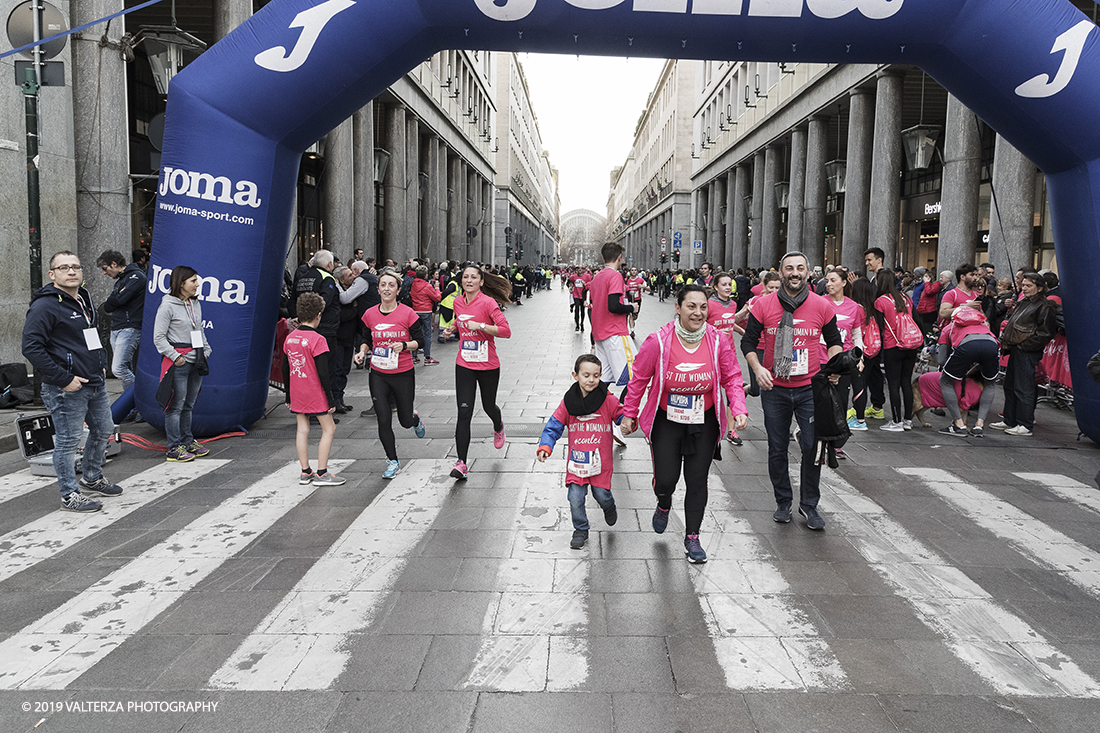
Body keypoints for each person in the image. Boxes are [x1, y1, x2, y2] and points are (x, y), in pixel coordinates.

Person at [621, 284, 747, 563]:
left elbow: (732, 377)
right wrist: (629, 413)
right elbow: (639, 379)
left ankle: (692, 537)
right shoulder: (659, 341)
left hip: (704, 421)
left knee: (697, 480)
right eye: (691, 306)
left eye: (703, 307)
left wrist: (738, 407)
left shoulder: (717, 341)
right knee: (666, 480)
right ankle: (664, 502)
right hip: (667, 420)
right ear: (677, 307)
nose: (698, 313)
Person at [742, 252, 843, 531]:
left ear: (808, 272)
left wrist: (834, 365)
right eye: (789, 268)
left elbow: (834, 341)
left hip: (810, 388)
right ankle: (783, 501)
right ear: (781, 272)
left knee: (812, 447)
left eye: (800, 268)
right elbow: (748, 343)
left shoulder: (821, 306)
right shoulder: (763, 305)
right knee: (777, 449)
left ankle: (809, 505)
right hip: (774, 388)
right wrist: (758, 368)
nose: (795, 273)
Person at [22, 251, 123, 512]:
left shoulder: (84, 298)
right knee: (68, 441)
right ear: (52, 274)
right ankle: (69, 495)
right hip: (67, 386)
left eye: (76, 266)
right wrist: (64, 379)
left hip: (94, 380)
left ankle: (92, 477)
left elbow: (89, 335)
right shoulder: (45, 305)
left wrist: (100, 364)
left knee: (104, 429)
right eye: (64, 267)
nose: (71, 271)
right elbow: (31, 347)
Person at [537, 354, 624, 549]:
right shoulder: (569, 402)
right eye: (586, 375)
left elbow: (621, 415)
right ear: (575, 375)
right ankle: (580, 529)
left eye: (596, 375)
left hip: (601, 464)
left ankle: (609, 507)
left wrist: (627, 422)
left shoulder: (607, 400)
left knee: (602, 495)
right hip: (577, 463)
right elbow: (554, 425)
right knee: (575, 497)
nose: (591, 380)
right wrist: (546, 446)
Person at [441, 264, 512, 480]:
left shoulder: (488, 303)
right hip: (464, 364)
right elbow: (460, 320)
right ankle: (461, 462)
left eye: (473, 277)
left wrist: (480, 326)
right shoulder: (457, 301)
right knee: (464, 412)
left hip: (488, 365)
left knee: (489, 405)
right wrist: (452, 328)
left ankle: (498, 425)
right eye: (465, 277)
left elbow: (506, 331)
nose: (469, 280)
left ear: (481, 282)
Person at [354, 271, 427, 478]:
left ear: (397, 289)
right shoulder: (369, 314)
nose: (386, 288)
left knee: (404, 420)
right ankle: (393, 461)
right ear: (378, 289)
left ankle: (415, 420)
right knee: (383, 418)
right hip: (378, 373)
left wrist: (404, 345)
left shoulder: (408, 313)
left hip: (403, 373)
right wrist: (361, 352)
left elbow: (420, 341)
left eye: (391, 285)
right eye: (383, 285)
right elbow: (366, 339)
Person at [282, 293, 345, 486]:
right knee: (329, 428)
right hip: (315, 391)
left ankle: (305, 471)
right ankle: (322, 473)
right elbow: (324, 373)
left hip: (297, 391)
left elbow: (285, 367)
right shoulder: (318, 340)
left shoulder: (290, 338)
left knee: (302, 429)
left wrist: (288, 394)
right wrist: (331, 397)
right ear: (318, 315)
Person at [152, 265, 213, 463]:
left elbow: (199, 330)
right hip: (179, 361)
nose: (197, 284)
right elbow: (158, 337)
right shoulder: (167, 306)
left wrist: (205, 349)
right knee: (175, 406)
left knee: (189, 404)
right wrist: (175, 356)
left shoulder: (195, 304)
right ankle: (174, 447)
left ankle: (187, 441)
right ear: (181, 283)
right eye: (193, 280)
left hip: (197, 359)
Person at [991, 272, 1060, 436]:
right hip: (1016, 348)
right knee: (1010, 385)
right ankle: (1010, 419)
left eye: (1029, 285)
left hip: (1027, 351)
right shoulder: (1024, 302)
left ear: (1039, 288)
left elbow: (1046, 333)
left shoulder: (1045, 305)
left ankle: (1025, 424)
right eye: (1024, 285)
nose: (1025, 288)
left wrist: (1025, 346)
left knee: (1024, 387)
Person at [588, 242, 639, 445]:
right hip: (616, 334)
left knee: (604, 380)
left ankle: (592, 414)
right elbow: (613, 305)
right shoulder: (615, 276)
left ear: (603, 258)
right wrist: (631, 307)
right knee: (637, 377)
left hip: (600, 334)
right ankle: (619, 422)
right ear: (619, 258)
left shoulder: (597, 277)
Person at [96, 250, 146, 421]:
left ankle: (140, 403)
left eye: (105, 268)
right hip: (118, 327)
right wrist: (117, 298)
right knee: (123, 367)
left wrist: (117, 298)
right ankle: (134, 405)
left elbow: (117, 301)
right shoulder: (121, 281)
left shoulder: (136, 277)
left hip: (129, 327)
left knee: (118, 368)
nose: (105, 272)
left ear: (114, 264)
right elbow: (109, 305)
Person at [937, 306, 1000, 437]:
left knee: (945, 381)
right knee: (990, 383)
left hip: (966, 345)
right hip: (991, 343)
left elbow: (941, 359)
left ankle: (958, 424)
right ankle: (979, 425)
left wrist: (958, 368)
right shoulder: (983, 326)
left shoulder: (950, 327)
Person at [821, 267, 863, 456]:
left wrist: (860, 357)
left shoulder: (854, 307)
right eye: (827, 281)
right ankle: (817, 437)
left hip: (843, 361)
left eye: (833, 280)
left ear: (844, 283)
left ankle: (835, 442)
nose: (829, 284)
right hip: (819, 359)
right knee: (821, 401)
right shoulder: (819, 303)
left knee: (840, 401)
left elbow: (856, 334)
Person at [875, 270, 921, 431]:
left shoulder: (881, 301)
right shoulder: (906, 298)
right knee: (906, 382)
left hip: (893, 345)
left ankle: (896, 421)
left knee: (893, 384)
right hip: (911, 345)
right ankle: (908, 419)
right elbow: (917, 319)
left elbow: (880, 327)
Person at [707, 271, 745, 445]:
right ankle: (709, 427)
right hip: (710, 353)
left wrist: (741, 331)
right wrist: (714, 332)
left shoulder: (733, 304)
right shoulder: (708, 305)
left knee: (732, 391)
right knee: (711, 390)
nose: (728, 287)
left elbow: (729, 322)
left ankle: (731, 431)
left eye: (730, 284)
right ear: (716, 287)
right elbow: (699, 325)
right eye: (724, 284)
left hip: (729, 354)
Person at [409, 265, 442, 364]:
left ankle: (414, 356)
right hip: (426, 311)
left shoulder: (412, 284)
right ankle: (427, 357)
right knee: (427, 334)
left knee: (415, 334)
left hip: (415, 311)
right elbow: (437, 298)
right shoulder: (427, 286)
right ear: (426, 275)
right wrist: (437, 288)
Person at [625, 266, 646, 338]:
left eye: (635, 270)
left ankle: (632, 324)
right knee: (630, 315)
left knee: (634, 317)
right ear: (630, 272)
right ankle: (632, 331)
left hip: (637, 300)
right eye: (632, 270)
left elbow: (648, 288)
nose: (633, 271)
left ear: (637, 272)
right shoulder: (627, 280)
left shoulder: (641, 280)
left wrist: (643, 287)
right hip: (629, 299)